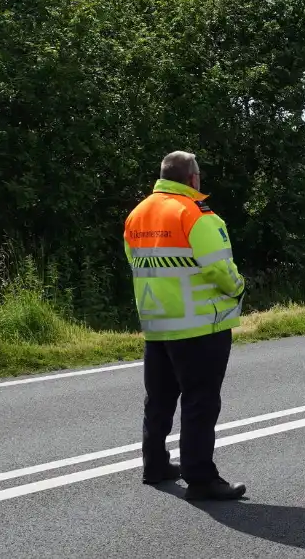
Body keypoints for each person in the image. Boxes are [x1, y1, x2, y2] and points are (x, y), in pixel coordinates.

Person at [123, 151, 247, 501]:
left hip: (156, 323)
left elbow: (135, 262)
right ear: (193, 179)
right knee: (200, 402)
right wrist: (239, 287)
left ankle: (155, 464)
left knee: (159, 399)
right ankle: (201, 477)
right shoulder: (194, 213)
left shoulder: (138, 214)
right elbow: (219, 268)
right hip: (199, 326)